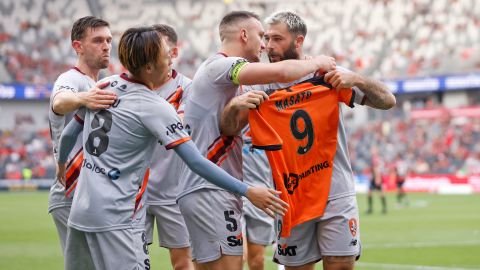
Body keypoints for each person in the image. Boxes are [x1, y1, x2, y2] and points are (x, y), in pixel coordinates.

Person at [56, 26, 287, 270]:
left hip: (81, 211)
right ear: (148, 67)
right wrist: (247, 191)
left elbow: (70, 133)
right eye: (165, 57)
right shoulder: (154, 106)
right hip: (117, 217)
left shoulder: (105, 85)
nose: (170, 62)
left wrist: (61, 163)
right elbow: (196, 162)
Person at [221, 11, 396, 270]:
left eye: (277, 39)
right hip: (289, 196)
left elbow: (388, 101)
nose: (268, 46)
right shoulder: (259, 85)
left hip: (335, 191)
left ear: (298, 41)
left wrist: (356, 79)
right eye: (267, 38)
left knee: (341, 266)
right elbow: (228, 129)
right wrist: (235, 106)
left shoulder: (328, 74)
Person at [178, 10, 335, 270]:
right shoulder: (222, 65)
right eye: (261, 36)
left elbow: (227, 129)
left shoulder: (226, 80)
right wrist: (317, 62)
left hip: (213, 186)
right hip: (208, 189)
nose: (264, 45)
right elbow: (282, 72)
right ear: (243, 35)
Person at [47, 16, 116, 256]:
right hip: (71, 192)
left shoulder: (100, 82)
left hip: (91, 192)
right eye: (98, 40)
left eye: (108, 39)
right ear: (78, 46)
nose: (106, 45)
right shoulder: (71, 79)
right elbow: (60, 101)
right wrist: (82, 99)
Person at [145, 24, 194, 270]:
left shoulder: (187, 88)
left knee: (183, 262)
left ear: (173, 53)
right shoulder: (134, 85)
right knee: (130, 260)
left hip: (173, 190)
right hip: (135, 190)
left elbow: (180, 129)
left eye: (157, 47)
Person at [241, 126, 275, 270]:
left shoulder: (270, 120)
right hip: (235, 193)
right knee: (238, 257)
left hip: (262, 196)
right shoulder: (229, 114)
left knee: (257, 261)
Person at [366, 147, 387, 214]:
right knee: (370, 193)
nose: (371, 151)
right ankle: (371, 208)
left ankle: (383, 208)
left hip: (376, 178)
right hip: (374, 178)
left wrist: (377, 178)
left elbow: (376, 169)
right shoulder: (376, 158)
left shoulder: (375, 158)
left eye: (373, 150)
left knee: (380, 193)